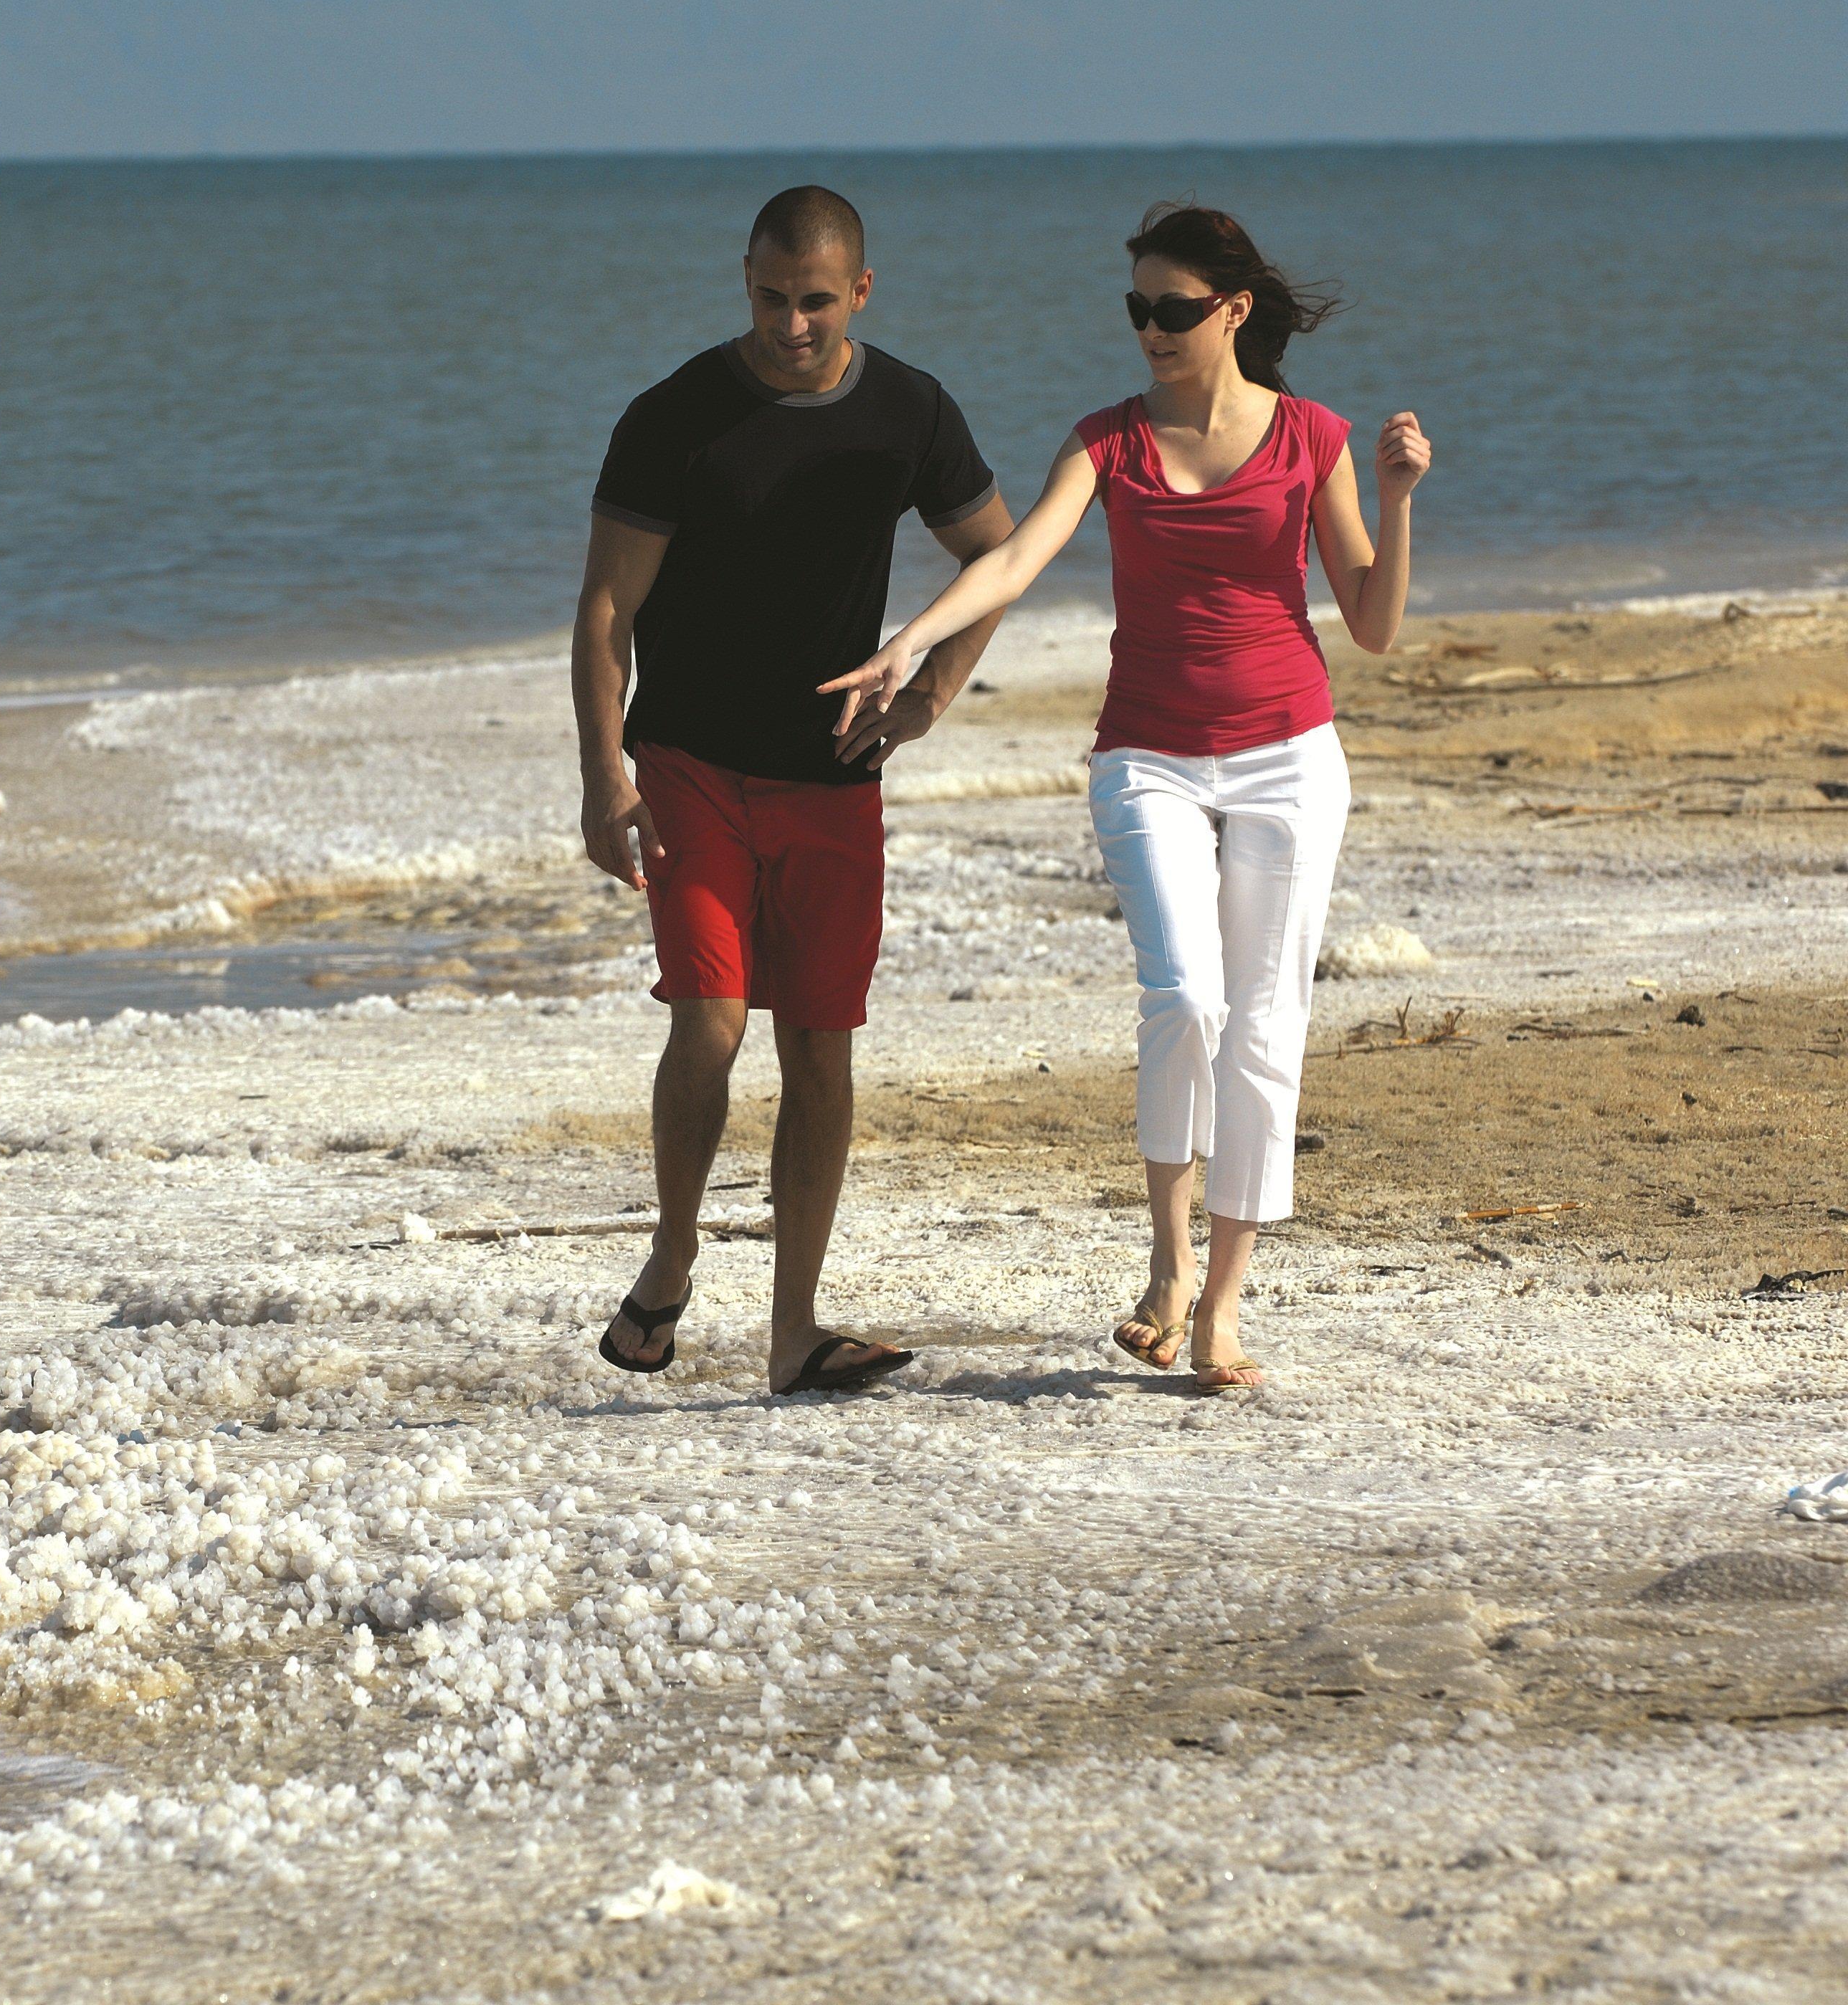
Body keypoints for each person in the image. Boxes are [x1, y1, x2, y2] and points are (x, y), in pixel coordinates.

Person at [821, 202, 1432, 1393]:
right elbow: (1011, 557)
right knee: (1185, 997)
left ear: (1233, 313)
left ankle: (1223, 1305)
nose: (1152, 328)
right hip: (1145, 755)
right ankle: (1164, 1261)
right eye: (1137, 308)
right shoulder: (1108, 442)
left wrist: (1400, 500)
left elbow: (1375, 623)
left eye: (1175, 309)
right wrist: (914, 640)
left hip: (1289, 755)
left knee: (1267, 1024)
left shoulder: (1314, 436)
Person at [576, 185, 1016, 1394]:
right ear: (747, 281)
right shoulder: (676, 416)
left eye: (815, 300)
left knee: (821, 1046)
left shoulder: (910, 410)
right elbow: (608, 609)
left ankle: (793, 1332)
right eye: (770, 297)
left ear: (859, 292)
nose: (791, 323)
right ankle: (671, 1262)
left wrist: (927, 699)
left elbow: (998, 553)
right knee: (711, 1024)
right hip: (690, 767)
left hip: (831, 777)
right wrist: (600, 771)